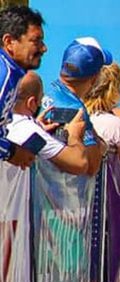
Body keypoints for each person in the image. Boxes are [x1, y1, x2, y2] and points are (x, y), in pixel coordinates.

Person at [41, 37, 110, 175]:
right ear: (95, 77)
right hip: (58, 192)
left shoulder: (43, 93)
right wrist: (100, 146)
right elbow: (91, 167)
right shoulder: (76, 110)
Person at [6, 71, 89, 174]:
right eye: (39, 102)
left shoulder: (8, 123)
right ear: (31, 103)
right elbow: (79, 164)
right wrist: (74, 136)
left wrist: (37, 125)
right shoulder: (29, 130)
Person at [0, 5, 46, 169]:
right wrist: (12, 151)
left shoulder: (13, 74)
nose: (44, 48)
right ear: (9, 42)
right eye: (36, 41)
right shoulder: (3, 74)